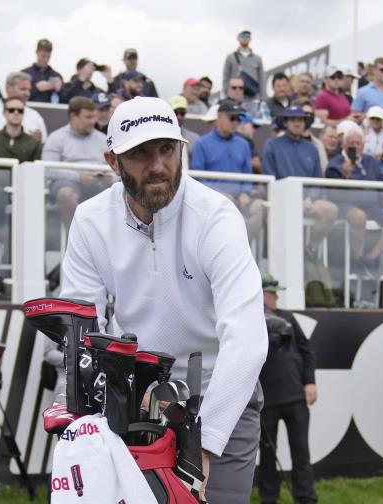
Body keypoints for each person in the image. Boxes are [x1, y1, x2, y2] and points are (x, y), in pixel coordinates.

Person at [59, 96, 267, 503]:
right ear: (112, 161)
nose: (157, 165)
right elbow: (80, 328)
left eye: (167, 149)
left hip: (220, 393)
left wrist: (203, 445)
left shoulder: (216, 218)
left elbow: (247, 339)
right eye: (140, 153)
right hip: (134, 398)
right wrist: (85, 416)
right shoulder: (89, 220)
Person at [258, 273, 318, 504]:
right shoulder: (249, 320)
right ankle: (268, 498)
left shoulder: (289, 318)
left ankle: (306, 498)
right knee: (267, 455)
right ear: (261, 293)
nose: (276, 297)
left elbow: (307, 351)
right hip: (267, 401)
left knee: (301, 453)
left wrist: (310, 382)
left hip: (295, 398)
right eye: (272, 293)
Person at [263, 106, 337, 256]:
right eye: (293, 120)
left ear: (305, 123)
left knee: (331, 210)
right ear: (285, 122)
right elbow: (269, 178)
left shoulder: (312, 149)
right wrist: (291, 198)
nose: (297, 123)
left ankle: (310, 248)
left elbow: (317, 181)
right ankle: (281, 255)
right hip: (281, 199)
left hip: (308, 200)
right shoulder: (272, 145)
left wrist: (310, 197)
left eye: (301, 120)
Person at [191, 99, 264, 239]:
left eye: (238, 119)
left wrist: (245, 192)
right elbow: (198, 179)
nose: (235, 122)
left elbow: (248, 175)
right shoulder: (202, 144)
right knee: (226, 206)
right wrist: (219, 194)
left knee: (261, 207)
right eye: (232, 118)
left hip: (240, 200)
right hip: (212, 201)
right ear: (219, 118)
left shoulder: (243, 144)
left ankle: (242, 245)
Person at [325, 125, 383, 264]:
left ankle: (372, 257)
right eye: (351, 144)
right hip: (345, 205)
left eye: (358, 143)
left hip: (372, 206)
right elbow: (332, 194)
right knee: (359, 217)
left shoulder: (371, 162)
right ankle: (357, 259)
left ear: (363, 145)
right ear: (343, 145)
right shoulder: (334, 164)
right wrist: (345, 176)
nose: (354, 146)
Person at [43, 97, 108, 229]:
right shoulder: (56, 137)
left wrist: (110, 177)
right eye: (88, 117)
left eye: (94, 117)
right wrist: (79, 177)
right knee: (65, 194)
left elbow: (116, 166)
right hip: (68, 183)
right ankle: (73, 238)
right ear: (73, 116)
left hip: (99, 183)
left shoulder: (103, 139)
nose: (93, 121)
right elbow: (47, 169)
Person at [0, 72, 47, 144]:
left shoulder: (35, 116)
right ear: (8, 88)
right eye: (23, 89)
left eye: (29, 90)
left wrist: (38, 142)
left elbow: (45, 148)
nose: (27, 94)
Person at [0, 96, 43, 162]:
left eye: (20, 111)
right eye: (11, 110)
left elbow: (37, 168)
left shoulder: (33, 144)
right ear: (4, 113)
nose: (16, 113)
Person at [223, 29, 264, 99]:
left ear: (250, 39)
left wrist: (262, 98)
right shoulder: (231, 57)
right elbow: (226, 77)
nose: (245, 39)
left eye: (247, 37)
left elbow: (261, 79)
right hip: (235, 96)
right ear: (238, 39)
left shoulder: (257, 59)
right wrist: (227, 94)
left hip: (252, 96)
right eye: (242, 37)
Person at [22, 38, 62, 103]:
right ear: (37, 52)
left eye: (48, 52)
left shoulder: (56, 75)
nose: (45, 57)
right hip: (29, 110)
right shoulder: (24, 74)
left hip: (51, 112)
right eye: (43, 54)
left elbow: (65, 99)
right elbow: (18, 95)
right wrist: (36, 88)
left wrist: (60, 90)